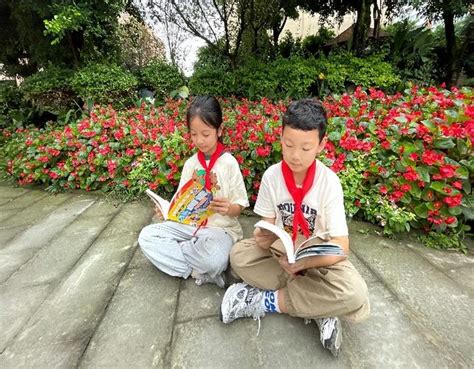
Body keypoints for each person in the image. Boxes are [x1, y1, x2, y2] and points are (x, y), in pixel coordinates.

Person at [220, 99, 370, 356]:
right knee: (239, 255)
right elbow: (266, 226)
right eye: (289, 145)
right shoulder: (272, 176)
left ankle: (265, 301)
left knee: (355, 293)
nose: (295, 155)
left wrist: (304, 264)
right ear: (280, 137)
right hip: (282, 252)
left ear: (321, 145)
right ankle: (320, 306)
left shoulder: (329, 182)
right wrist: (262, 237)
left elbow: (341, 247)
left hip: (319, 259)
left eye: (306, 147)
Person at [138, 96, 249, 288]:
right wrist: (167, 212)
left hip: (219, 229)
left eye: (206, 134)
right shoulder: (191, 164)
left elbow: (239, 206)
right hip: (189, 226)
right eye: (194, 134)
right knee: (146, 236)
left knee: (215, 259)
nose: (200, 140)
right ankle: (198, 271)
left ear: (219, 130)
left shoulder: (229, 163)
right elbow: (181, 201)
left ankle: (186, 257)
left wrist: (229, 208)